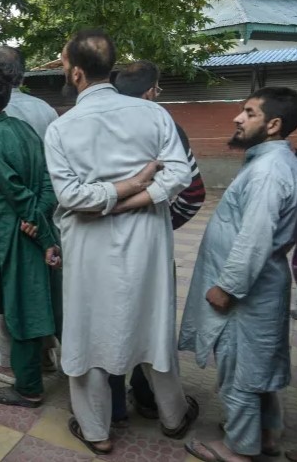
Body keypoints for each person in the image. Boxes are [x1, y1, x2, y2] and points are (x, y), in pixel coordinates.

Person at [44, 29, 196, 455]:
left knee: (88, 329)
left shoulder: (62, 128)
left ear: (75, 74)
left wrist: (114, 201)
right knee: (153, 324)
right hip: (148, 240)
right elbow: (179, 175)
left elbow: (72, 196)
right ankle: (172, 417)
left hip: (89, 244)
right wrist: (133, 188)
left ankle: (96, 431)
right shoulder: (154, 115)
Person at [179, 87, 297, 462]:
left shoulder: (267, 171)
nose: (237, 118)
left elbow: (254, 238)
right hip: (261, 287)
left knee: (240, 371)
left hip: (247, 293)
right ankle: (266, 436)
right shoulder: (271, 162)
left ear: (273, 124)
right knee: (256, 367)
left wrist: (227, 288)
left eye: (248, 112)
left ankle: (238, 450)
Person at [108, 60, 207, 425]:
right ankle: (152, 400)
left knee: (109, 322)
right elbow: (193, 193)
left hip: (98, 241)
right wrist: (163, 222)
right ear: (151, 91)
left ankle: (113, 408)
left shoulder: (87, 123)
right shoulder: (165, 125)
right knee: (149, 321)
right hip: (149, 243)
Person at [0, 65, 57, 408]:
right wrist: (43, 218)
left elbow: (17, 195)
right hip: (30, 227)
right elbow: (49, 181)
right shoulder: (24, 129)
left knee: (20, 312)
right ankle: (34, 373)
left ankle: (28, 387)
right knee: (33, 305)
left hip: (13, 237)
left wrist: (42, 232)